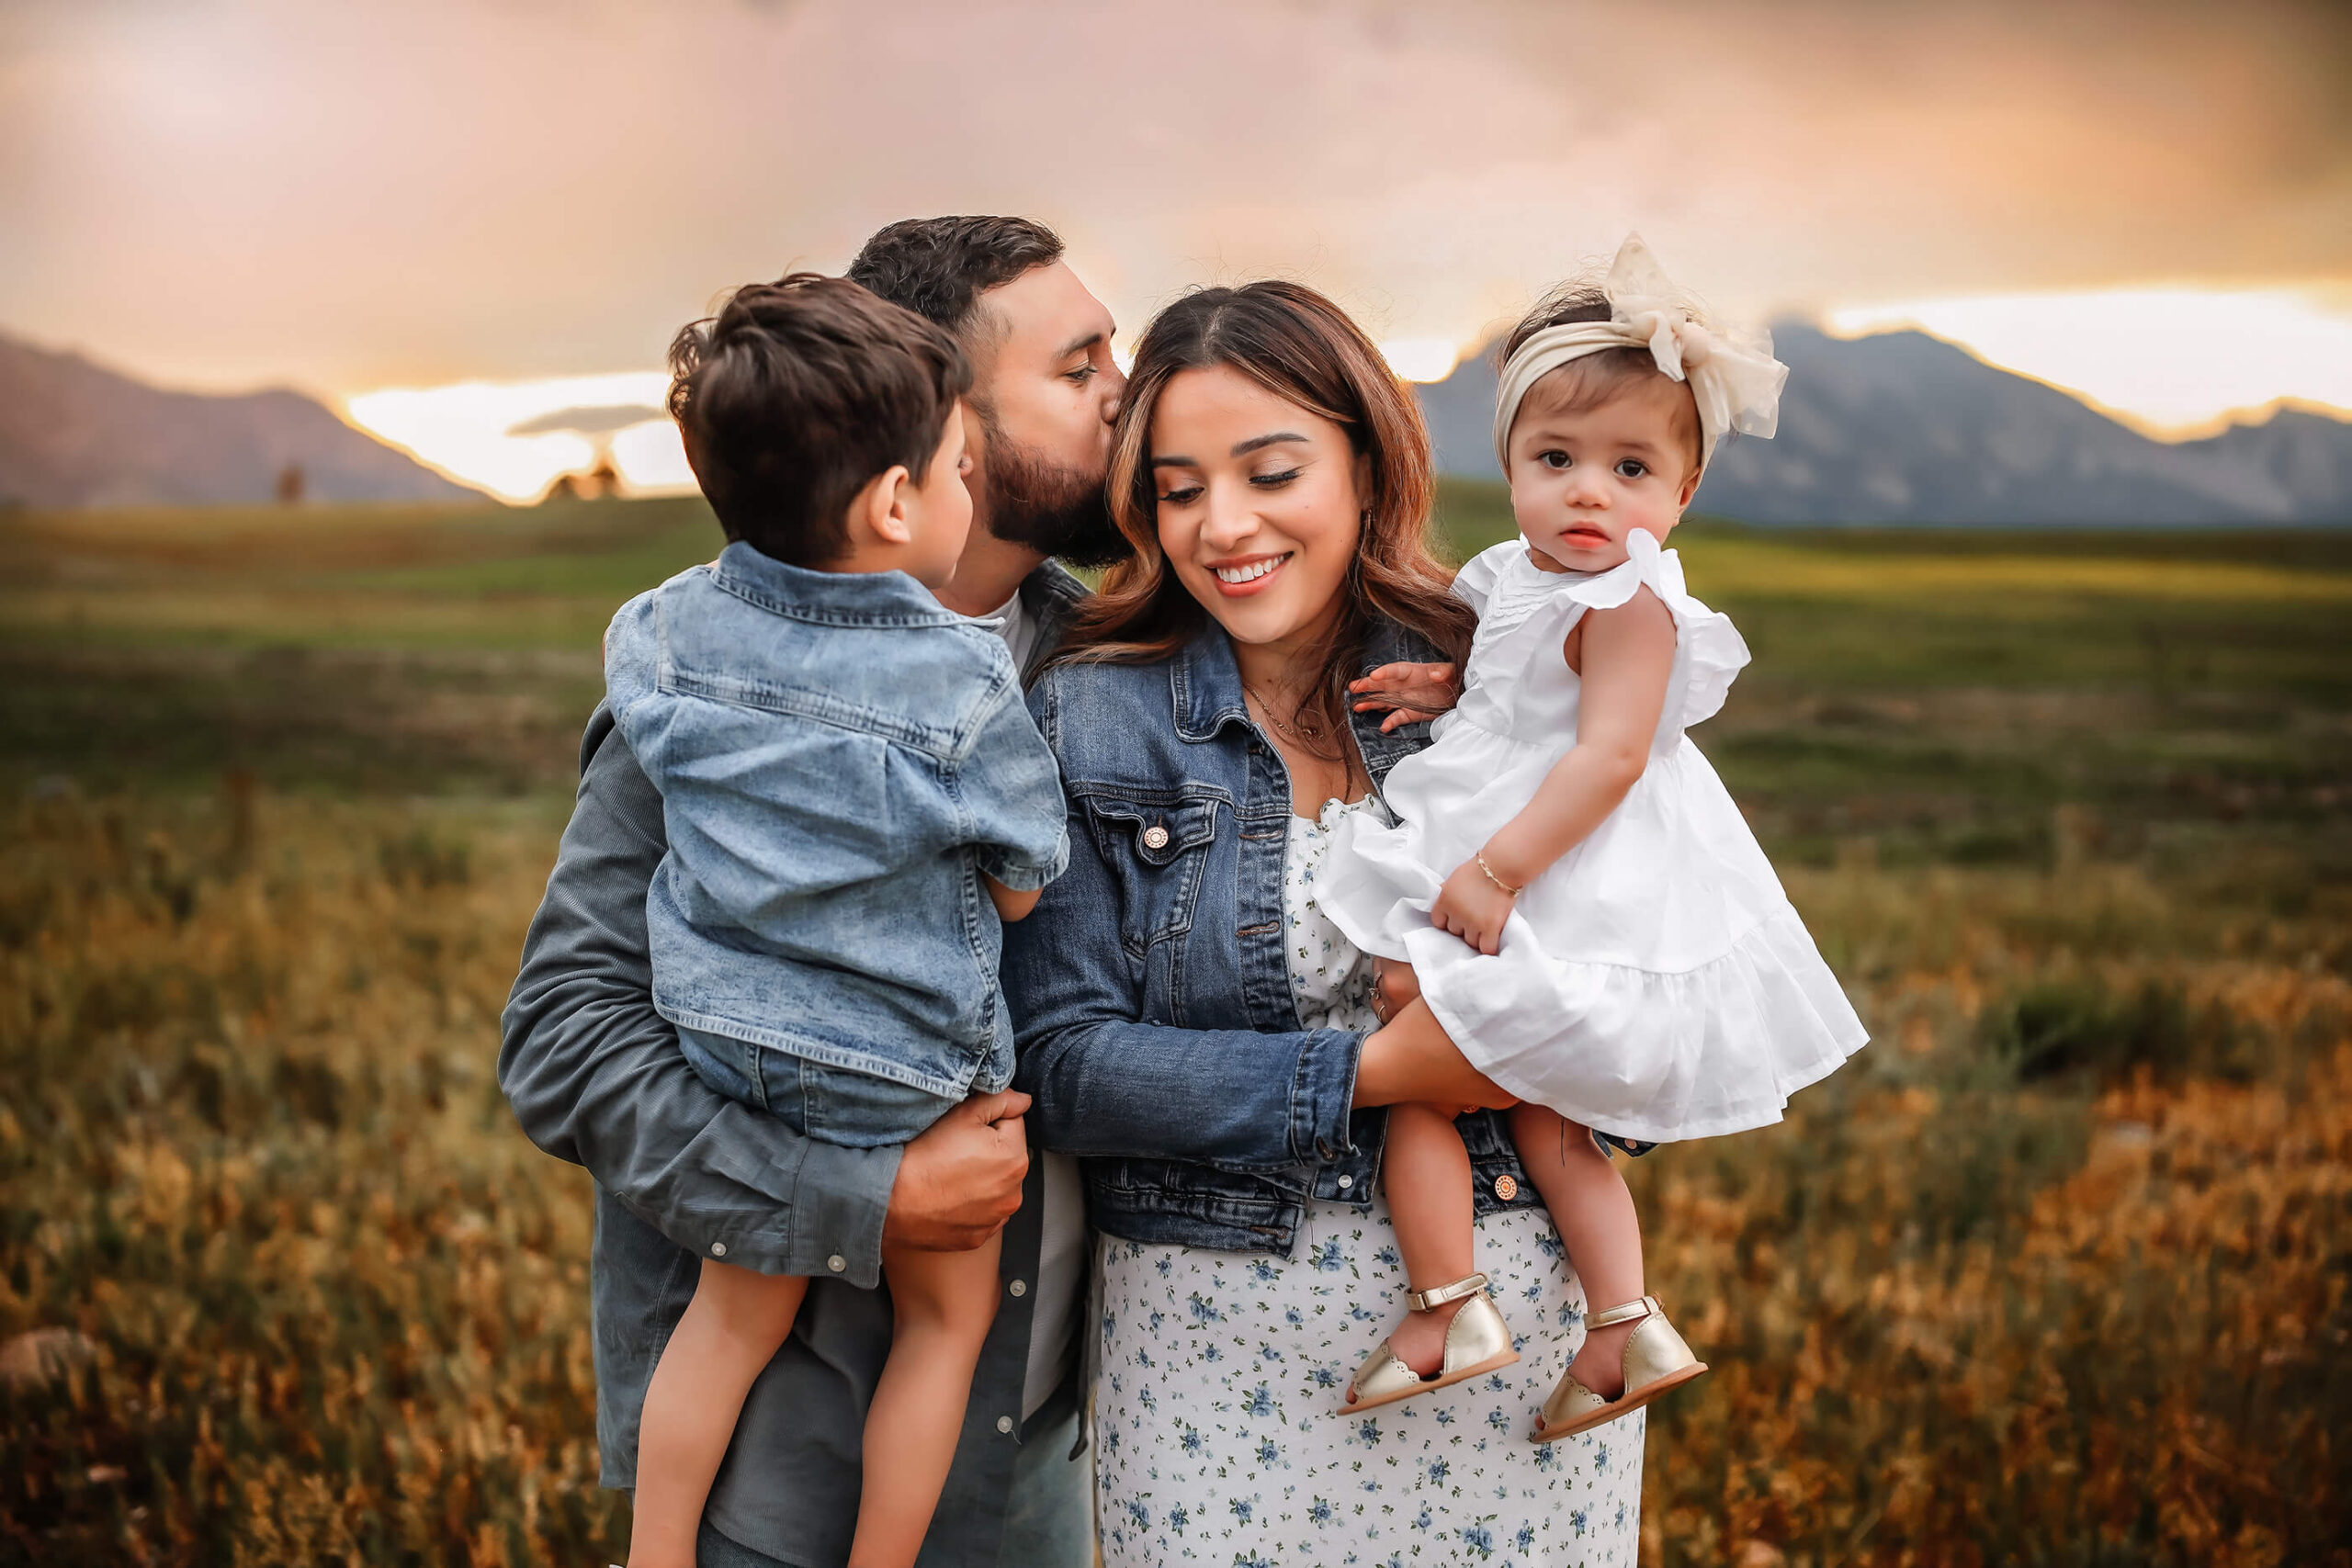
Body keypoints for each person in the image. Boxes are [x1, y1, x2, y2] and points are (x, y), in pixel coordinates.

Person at [500, 216, 1126, 1568]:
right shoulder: (706, 708)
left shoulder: (1124, 674)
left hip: (1058, 1464)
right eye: (1082, 370)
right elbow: (560, 1045)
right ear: (942, 436)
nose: (1123, 394)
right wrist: (862, 1195)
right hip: (792, 1474)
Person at [1002, 280, 1645, 1565]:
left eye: (1271, 471)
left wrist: (1553, 1039)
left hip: (1518, 1333)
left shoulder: (1506, 681)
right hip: (1211, 1339)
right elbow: (1062, 1068)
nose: (1222, 526)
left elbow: (1647, 998)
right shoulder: (1090, 715)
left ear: (1367, 460)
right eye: (1180, 490)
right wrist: (1367, 1073)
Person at [1317, 235, 1870, 1441]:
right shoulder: (1511, 571)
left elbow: (1610, 754)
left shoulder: (1633, 603)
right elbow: (1510, 674)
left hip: (1571, 863)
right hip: (1517, 824)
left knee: (1415, 1052)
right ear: (1510, 463)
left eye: (1631, 469)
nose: (1589, 494)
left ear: (1680, 497)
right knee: (1540, 1112)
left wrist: (1497, 869)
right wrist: (1441, 685)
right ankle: (1623, 1324)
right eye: (1555, 459)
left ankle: (1450, 1305)